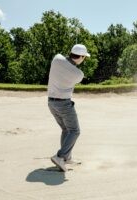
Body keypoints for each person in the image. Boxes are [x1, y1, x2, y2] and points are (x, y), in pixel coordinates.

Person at [47, 44, 90, 172]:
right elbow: (71, 69)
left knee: (66, 130)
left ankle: (67, 157)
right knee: (75, 131)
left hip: (51, 103)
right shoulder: (79, 74)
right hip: (64, 104)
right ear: (81, 57)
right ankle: (60, 157)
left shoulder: (56, 58)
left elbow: (65, 62)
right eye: (84, 57)